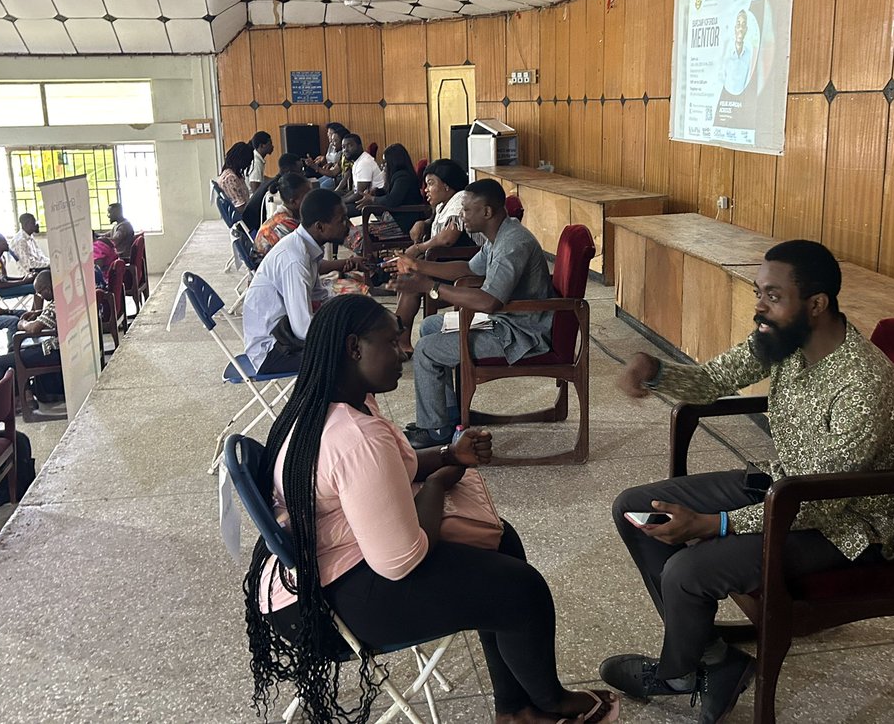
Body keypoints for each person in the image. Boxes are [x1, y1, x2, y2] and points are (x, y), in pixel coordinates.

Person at [241, 294, 618, 724]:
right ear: (353, 348)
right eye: (391, 341)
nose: (405, 351)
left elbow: (389, 472)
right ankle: (549, 704)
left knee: (501, 540)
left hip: (312, 575)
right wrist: (438, 483)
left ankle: (515, 710)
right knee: (522, 591)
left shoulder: (324, 402)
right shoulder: (354, 436)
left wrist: (447, 454)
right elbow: (402, 560)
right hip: (322, 608)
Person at [600, 240, 894, 723]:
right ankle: (713, 660)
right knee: (635, 506)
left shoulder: (865, 384)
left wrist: (715, 524)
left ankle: (679, 671)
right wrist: (655, 371)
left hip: (843, 528)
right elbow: (711, 381)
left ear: (816, 303)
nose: (759, 308)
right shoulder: (784, 340)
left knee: (687, 571)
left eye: (772, 295)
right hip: (781, 487)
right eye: (758, 294)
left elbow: (820, 504)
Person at [389, 179, 553, 449]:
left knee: (427, 349)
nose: (461, 216)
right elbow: (468, 269)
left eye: (466, 210)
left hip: (521, 332)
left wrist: (430, 287)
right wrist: (418, 265)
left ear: (487, 212)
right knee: (430, 326)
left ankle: (434, 430)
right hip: (506, 321)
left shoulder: (512, 243)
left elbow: (489, 302)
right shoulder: (498, 235)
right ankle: (449, 415)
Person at [241, 189, 355, 375]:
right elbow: (303, 329)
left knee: (353, 340)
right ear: (320, 227)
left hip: (284, 335)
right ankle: (326, 405)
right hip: (272, 350)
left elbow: (319, 297)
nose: (347, 226)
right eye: (341, 221)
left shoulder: (305, 247)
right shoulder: (295, 259)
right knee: (349, 358)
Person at [392, 159, 481, 354]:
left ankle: (401, 342)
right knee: (405, 274)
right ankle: (400, 339)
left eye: (431, 183)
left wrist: (418, 248)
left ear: (447, 185)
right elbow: (436, 222)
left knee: (411, 279)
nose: (426, 190)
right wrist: (423, 223)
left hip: (464, 266)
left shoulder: (460, 200)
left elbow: (449, 238)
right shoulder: (445, 203)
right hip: (445, 263)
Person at [0, 269, 63, 401]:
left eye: (40, 292)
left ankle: (18, 401)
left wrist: (22, 323)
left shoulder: (55, 304)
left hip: (53, 351)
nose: (40, 296)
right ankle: (26, 393)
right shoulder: (63, 296)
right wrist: (39, 312)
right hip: (61, 347)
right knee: (15, 350)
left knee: (0, 362)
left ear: (47, 289)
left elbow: (34, 329)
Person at [345, 143, 425, 257]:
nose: (383, 166)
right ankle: (370, 261)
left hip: (402, 223)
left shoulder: (403, 177)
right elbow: (390, 193)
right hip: (394, 217)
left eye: (385, 163)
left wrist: (372, 199)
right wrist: (376, 192)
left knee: (357, 234)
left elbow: (392, 200)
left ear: (394, 161)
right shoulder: (398, 175)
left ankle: (371, 265)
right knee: (353, 231)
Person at [254, 173, 310, 257]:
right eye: (307, 196)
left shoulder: (284, 215)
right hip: (269, 266)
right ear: (293, 201)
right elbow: (301, 254)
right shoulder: (286, 223)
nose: (311, 198)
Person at [340, 133, 384, 214]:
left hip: (374, 204)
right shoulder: (358, 161)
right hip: (365, 200)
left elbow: (359, 194)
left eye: (349, 145)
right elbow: (355, 190)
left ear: (360, 146)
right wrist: (341, 199)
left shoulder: (364, 162)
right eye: (343, 147)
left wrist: (340, 202)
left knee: (337, 211)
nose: (345, 149)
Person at [306, 121, 349, 191]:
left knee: (322, 187)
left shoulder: (348, 158)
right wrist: (315, 166)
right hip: (334, 177)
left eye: (335, 141)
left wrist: (336, 192)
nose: (332, 143)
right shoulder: (343, 156)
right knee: (315, 184)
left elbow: (338, 177)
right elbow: (333, 172)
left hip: (338, 181)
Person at [722, 9, 754, 96]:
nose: (740, 28)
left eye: (743, 25)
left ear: (746, 30)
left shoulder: (749, 53)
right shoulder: (726, 51)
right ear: (735, 28)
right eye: (738, 24)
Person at [216, 141, 256, 209]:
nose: (248, 164)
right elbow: (240, 207)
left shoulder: (234, 174)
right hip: (244, 215)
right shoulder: (229, 178)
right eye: (248, 161)